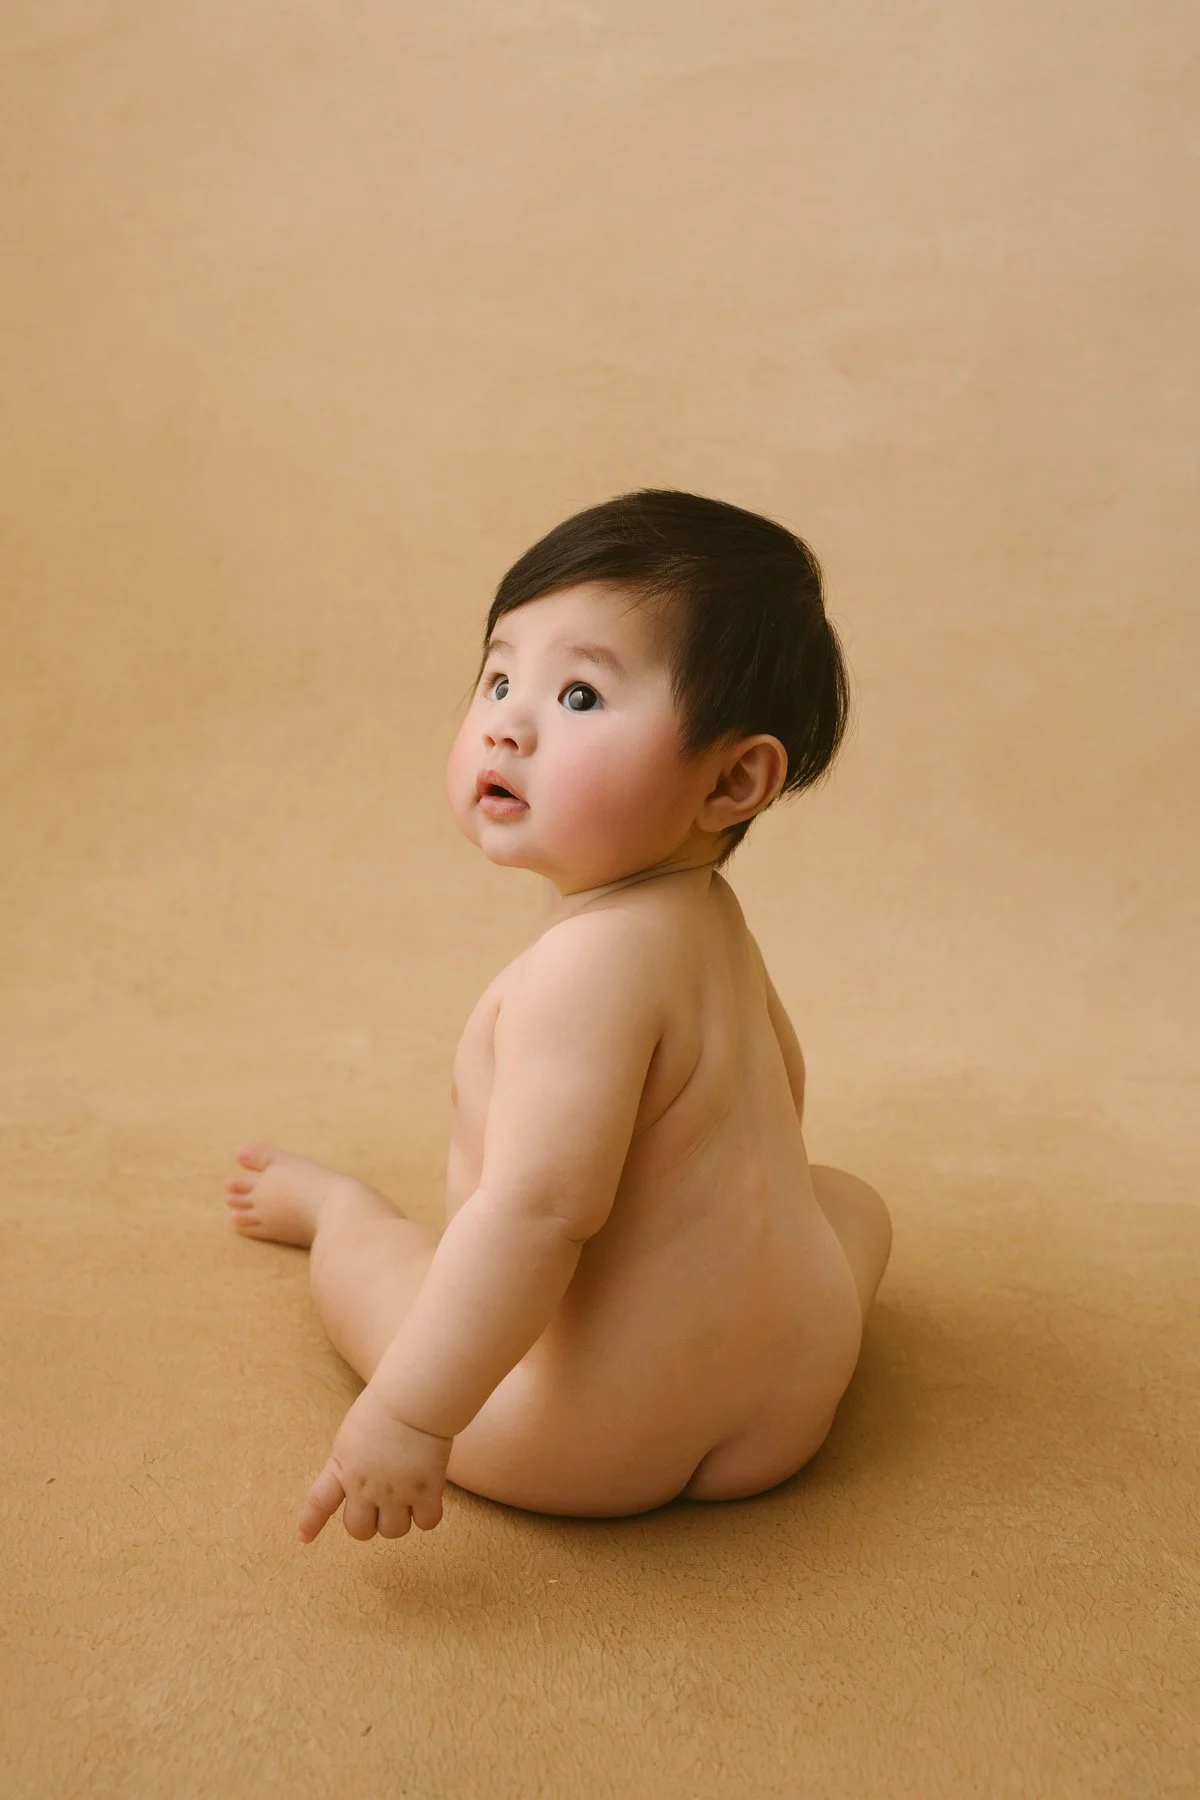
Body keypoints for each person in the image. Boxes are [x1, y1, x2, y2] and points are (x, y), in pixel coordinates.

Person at [222, 488, 893, 1544]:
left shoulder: (582, 970)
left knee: (394, 1269)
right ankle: (770, 1345)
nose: (505, 721)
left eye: (579, 697)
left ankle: (338, 1215)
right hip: (788, 1401)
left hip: (586, 1441)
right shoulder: (711, 918)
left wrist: (411, 1414)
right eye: (497, 675)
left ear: (734, 780)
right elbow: (786, 1087)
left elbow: (535, 1217)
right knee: (845, 1200)